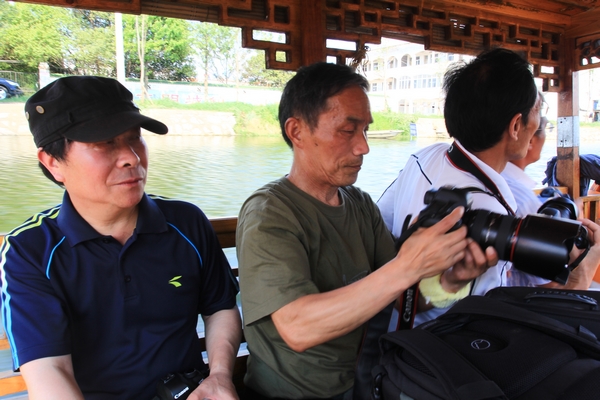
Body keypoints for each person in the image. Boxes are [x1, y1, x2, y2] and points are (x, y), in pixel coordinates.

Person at [236, 62, 487, 399]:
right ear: (297, 132)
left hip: (368, 381)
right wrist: (408, 266)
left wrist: (451, 281)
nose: (363, 147)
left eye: (365, 130)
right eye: (347, 130)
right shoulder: (269, 213)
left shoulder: (360, 204)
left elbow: (399, 295)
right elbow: (297, 328)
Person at [0, 76, 242, 400]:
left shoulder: (186, 223)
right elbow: (48, 370)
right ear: (53, 162)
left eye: (135, 138)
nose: (132, 157)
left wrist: (220, 376)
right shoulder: (30, 251)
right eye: (105, 143)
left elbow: (219, 308)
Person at [377, 48, 600, 326]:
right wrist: (585, 269)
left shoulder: (425, 156)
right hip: (444, 345)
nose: (537, 124)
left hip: (397, 330)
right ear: (516, 126)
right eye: (537, 112)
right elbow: (498, 317)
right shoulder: (488, 209)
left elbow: (382, 226)